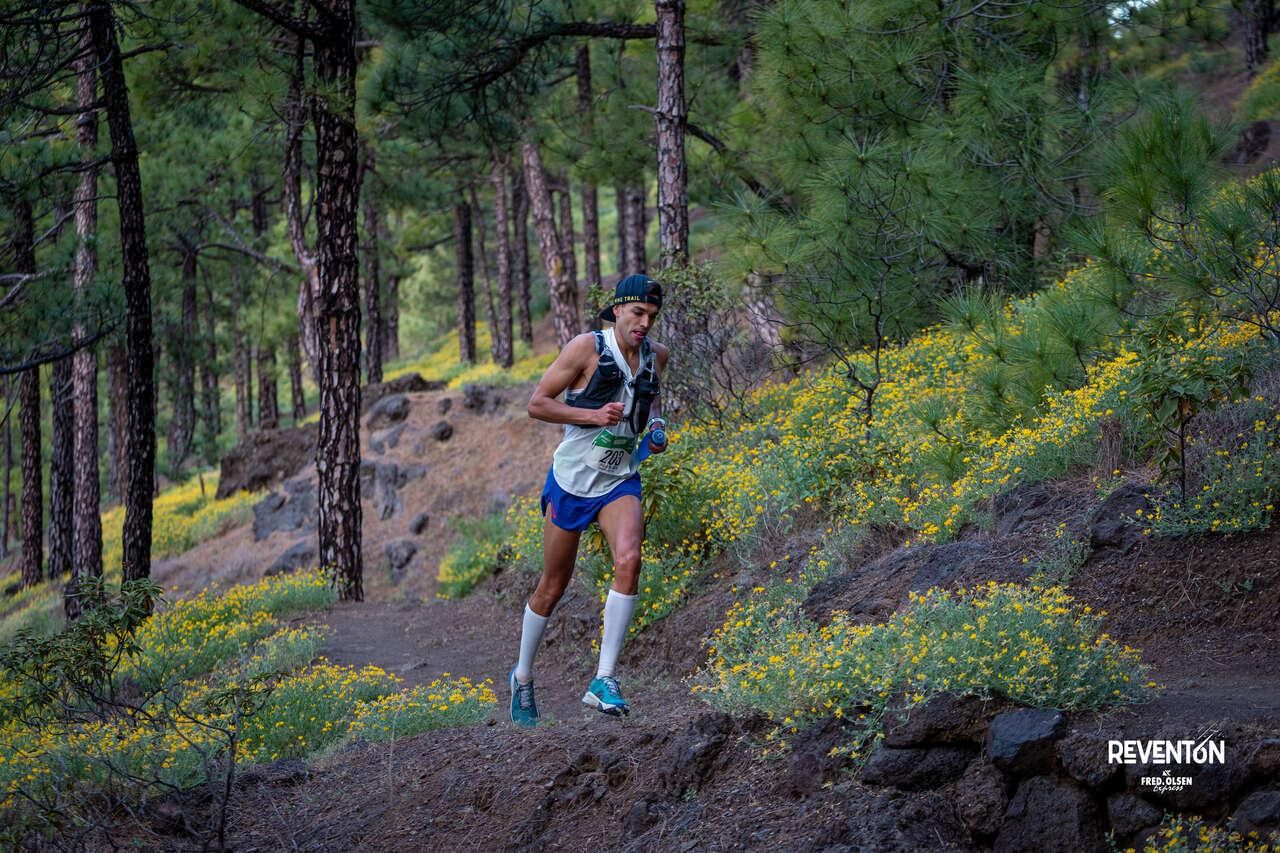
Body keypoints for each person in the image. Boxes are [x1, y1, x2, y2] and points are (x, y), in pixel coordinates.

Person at [509, 274, 670, 727]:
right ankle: (522, 677)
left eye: (652, 316)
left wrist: (654, 429)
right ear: (617, 309)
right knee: (553, 586)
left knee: (630, 559)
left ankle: (604, 679)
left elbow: (650, 403)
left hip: (620, 478)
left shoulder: (657, 357)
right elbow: (538, 404)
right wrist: (593, 415)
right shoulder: (585, 348)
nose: (644, 323)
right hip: (572, 480)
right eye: (637, 312)